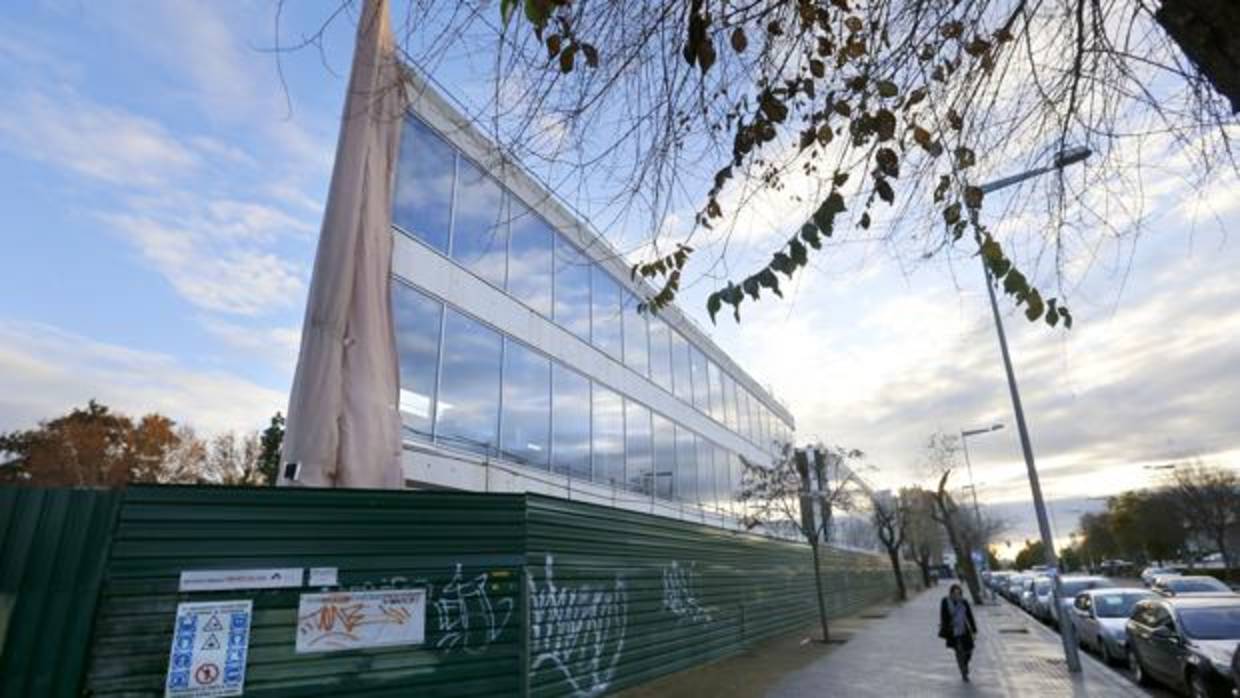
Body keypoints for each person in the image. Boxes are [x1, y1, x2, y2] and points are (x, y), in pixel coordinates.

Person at [939, 583, 978, 682]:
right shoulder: (945, 601)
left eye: (959, 593)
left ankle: (965, 664)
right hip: (953, 631)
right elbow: (943, 615)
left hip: (964, 630)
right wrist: (946, 627)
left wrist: (974, 629)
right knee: (959, 652)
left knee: (969, 651)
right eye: (955, 593)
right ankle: (964, 672)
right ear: (951, 593)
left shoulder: (964, 602)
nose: (957, 595)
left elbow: (969, 616)